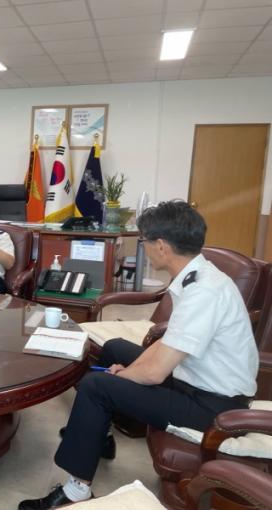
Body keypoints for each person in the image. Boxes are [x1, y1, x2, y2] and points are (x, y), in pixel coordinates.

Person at [18, 200, 259, 509]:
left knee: (96, 386)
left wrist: (125, 375)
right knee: (115, 347)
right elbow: (167, 343)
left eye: (144, 240)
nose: (143, 246)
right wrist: (127, 369)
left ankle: (76, 491)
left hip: (214, 408)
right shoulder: (197, 276)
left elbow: (155, 373)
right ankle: (100, 435)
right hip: (195, 381)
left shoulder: (204, 292)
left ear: (162, 246)